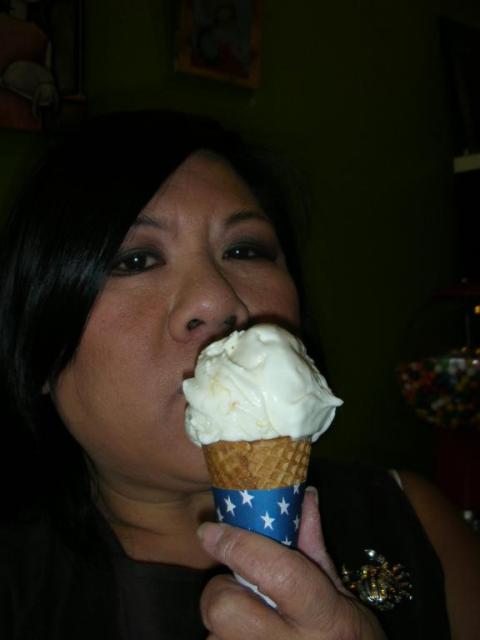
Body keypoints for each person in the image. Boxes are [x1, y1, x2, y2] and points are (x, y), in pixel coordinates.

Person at [0, 110, 478, 640]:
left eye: (244, 250)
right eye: (135, 260)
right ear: (39, 348)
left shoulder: (416, 521)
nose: (216, 300)